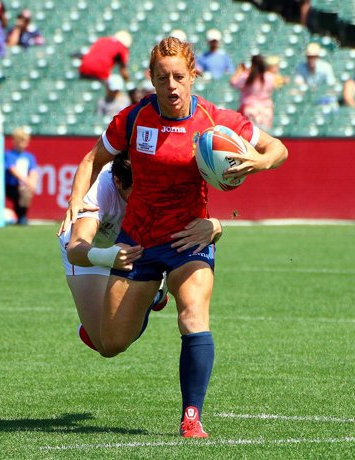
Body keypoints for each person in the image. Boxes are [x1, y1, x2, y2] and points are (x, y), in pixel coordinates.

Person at [58, 37, 287, 438]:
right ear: (151, 78)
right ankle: (150, 299)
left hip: (189, 239)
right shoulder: (132, 119)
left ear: (193, 76)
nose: (172, 86)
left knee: (194, 315)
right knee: (112, 344)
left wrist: (260, 160)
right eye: (162, 78)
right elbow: (94, 158)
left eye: (179, 77)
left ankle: (192, 417)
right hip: (138, 244)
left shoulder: (215, 120)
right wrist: (76, 201)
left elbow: (277, 148)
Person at [59, 152, 223, 352]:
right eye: (138, 193)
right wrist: (107, 257)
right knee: (107, 346)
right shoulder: (98, 191)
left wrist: (215, 225)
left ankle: (153, 293)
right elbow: (75, 250)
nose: (146, 198)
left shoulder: (156, 179)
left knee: (124, 331)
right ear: (118, 182)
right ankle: (155, 296)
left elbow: (193, 221)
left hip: (132, 249)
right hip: (92, 253)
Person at [230, 54, 279, 129]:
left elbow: (233, 83)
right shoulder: (269, 77)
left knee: (250, 137)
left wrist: (239, 71)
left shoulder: (246, 76)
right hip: (266, 110)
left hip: (250, 109)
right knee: (265, 138)